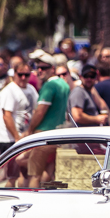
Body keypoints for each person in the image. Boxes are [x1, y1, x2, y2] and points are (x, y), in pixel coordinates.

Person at [23, 53, 69, 188]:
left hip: (43, 135)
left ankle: (31, 199)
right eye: (38, 67)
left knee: (34, 175)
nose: (39, 71)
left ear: (52, 68)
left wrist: (30, 130)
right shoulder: (64, 84)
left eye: (44, 68)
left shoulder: (49, 85)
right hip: (58, 134)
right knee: (48, 173)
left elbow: (40, 111)